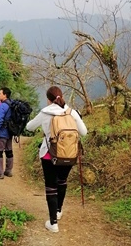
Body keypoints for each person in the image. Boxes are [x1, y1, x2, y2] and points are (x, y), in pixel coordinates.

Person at [26, 86, 87, 233]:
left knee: (51, 187)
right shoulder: (71, 112)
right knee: (62, 181)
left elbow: (29, 127)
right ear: (61, 97)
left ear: (48, 99)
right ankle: (58, 210)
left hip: (50, 155)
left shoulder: (45, 112)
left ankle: (53, 223)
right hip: (69, 154)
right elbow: (84, 132)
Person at [0, 87, 14, 179]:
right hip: (10, 132)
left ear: (5, 95)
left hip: (2, 132)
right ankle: (8, 171)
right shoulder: (11, 104)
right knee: (9, 151)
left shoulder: (2, 106)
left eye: (0, 93)